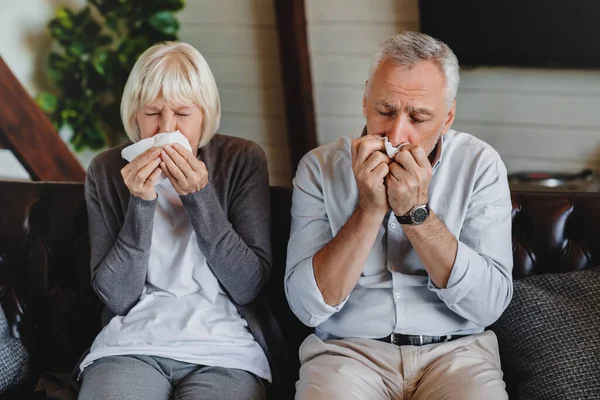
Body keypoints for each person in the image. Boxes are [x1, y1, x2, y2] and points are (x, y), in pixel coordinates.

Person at [285, 31, 513, 399]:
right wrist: (369, 209)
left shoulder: (480, 165)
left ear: (448, 116)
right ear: (365, 101)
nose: (397, 133)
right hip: (347, 352)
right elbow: (306, 307)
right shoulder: (319, 168)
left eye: (419, 117)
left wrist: (415, 213)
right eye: (385, 111)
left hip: (457, 352)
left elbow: (488, 305)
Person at [77, 41, 275, 400]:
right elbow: (117, 297)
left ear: (205, 115)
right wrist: (140, 202)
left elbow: (248, 285)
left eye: (183, 113)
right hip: (131, 343)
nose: (165, 129)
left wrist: (199, 197)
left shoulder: (242, 160)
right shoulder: (106, 171)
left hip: (224, 347)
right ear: (134, 115)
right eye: (152, 112)